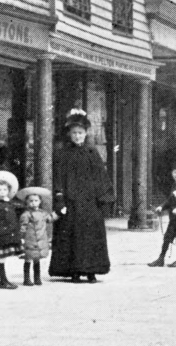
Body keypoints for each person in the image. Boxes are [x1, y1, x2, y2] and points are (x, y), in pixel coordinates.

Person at [48, 109, 115, 283]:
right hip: (71, 202)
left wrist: (104, 199)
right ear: (69, 134)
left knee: (90, 235)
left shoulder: (92, 153)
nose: (77, 136)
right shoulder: (62, 154)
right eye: (74, 133)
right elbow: (59, 178)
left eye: (80, 133)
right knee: (72, 236)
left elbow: (101, 176)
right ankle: (74, 271)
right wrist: (60, 198)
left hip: (90, 202)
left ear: (86, 134)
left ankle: (91, 271)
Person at [18, 187, 54, 287]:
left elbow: (50, 219)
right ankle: (26, 279)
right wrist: (21, 237)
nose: (34, 203)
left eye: (36, 201)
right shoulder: (26, 214)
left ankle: (37, 278)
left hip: (41, 239)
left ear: (40, 201)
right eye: (31, 201)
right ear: (27, 202)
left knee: (37, 259)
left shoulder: (43, 213)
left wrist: (59, 213)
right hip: (30, 239)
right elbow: (23, 227)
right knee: (28, 258)